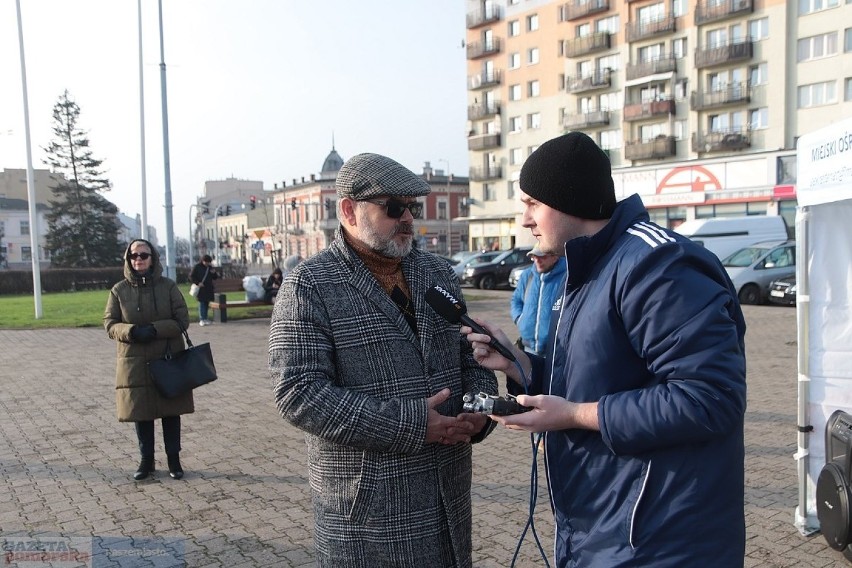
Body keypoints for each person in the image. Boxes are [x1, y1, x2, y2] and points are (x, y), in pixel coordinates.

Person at [464, 132, 747, 568]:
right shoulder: (589, 266)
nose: (524, 220)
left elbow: (710, 398)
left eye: (532, 204)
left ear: (567, 200)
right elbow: (596, 377)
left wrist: (574, 416)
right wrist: (518, 364)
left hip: (660, 540)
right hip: (603, 528)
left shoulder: (656, 266)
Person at [268, 152, 498, 568]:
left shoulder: (437, 273)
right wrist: (411, 423)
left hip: (447, 494)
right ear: (349, 211)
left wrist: (480, 409)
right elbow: (298, 393)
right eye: (394, 208)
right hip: (368, 510)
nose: (407, 217)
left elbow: (474, 354)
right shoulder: (309, 285)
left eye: (410, 207)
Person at [104, 239, 194, 481]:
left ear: (153, 257)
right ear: (128, 260)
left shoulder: (168, 287)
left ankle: (174, 460)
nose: (139, 259)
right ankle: (146, 461)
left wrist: (155, 329)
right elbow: (110, 324)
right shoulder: (119, 290)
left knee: (170, 411)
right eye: (134, 256)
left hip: (167, 357)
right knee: (141, 412)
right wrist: (131, 331)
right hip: (134, 361)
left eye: (144, 255)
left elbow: (182, 320)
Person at [509, 245, 566, 356]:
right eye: (534, 257)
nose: (537, 260)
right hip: (528, 348)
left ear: (555, 257)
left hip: (556, 350)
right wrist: (519, 319)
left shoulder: (566, 276)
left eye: (542, 257)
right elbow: (516, 300)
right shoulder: (527, 275)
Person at [190, 254, 218, 326]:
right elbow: (191, 276)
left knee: (206, 303)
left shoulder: (210, 268)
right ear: (202, 261)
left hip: (208, 288)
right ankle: (202, 319)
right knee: (202, 303)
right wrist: (198, 283)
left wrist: (214, 273)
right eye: (206, 262)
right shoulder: (197, 267)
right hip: (201, 289)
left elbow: (215, 277)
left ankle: (205, 318)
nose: (207, 263)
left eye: (208, 262)